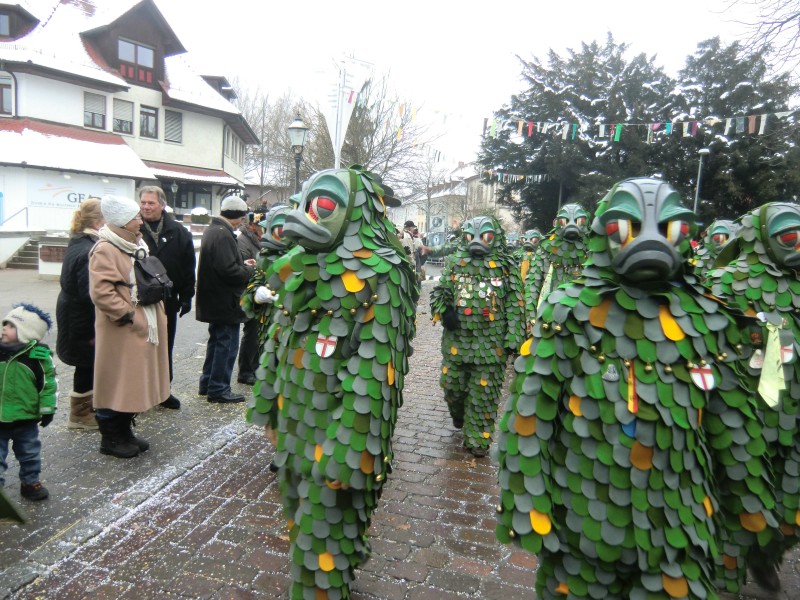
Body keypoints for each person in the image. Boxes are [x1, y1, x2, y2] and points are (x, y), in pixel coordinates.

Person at [89, 195, 170, 458]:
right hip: (121, 329)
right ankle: (111, 438)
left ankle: (124, 431)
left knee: (132, 381)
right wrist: (128, 316)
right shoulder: (105, 249)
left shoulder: (133, 243)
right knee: (117, 380)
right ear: (123, 221)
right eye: (135, 217)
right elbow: (101, 292)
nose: (140, 220)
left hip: (138, 326)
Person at [137, 186, 196, 409]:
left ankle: (163, 390)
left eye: (150, 203)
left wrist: (187, 295)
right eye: (143, 202)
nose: (146, 207)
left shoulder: (177, 231)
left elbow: (189, 264)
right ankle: (141, 392)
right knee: (142, 346)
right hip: (141, 299)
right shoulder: (134, 229)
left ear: (162, 205)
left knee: (165, 345)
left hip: (168, 299)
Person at [195, 195, 256, 403]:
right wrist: (250, 269)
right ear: (239, 216)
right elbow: (230, 272)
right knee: (226, 345)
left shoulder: (213, 231)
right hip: (225, 301)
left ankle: (208, 383)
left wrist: (241, 262)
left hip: (215, 299)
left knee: (216, 343)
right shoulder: (223, 234)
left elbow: (225, 264)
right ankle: (219, 388)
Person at [0, 304, 57, 501]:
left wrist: (47, 409)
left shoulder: (38, 359)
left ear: (26, 332)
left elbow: (48, 385)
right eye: (4, 324)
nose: (4, 328)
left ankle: (30, 482)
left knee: (30, 454)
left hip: (26, 419)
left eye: (10, 325)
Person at [56, 197, 104, 429]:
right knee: (86, 364)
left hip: (74, 313)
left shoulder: (79, 241)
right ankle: (80, 416)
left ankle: (85, 411)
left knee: (87, 363)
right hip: (82, 317)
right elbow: (90, 292)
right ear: (97, 223)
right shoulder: (89, 249)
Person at [235, 212, 264, 386]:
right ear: (252, 226)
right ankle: (245, 371)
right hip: (249, 292)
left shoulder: (259, 239)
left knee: (258, 331)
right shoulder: (243, 242)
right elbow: (244, 267)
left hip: (260, 291)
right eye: (261, 225)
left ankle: (255, 366)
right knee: (251, 331)